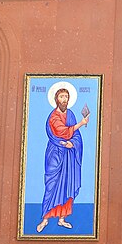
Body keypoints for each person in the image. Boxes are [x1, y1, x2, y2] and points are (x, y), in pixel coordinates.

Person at [35, 86, 90, 232]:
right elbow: (63, 132)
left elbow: (76, 136)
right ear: (56, 99)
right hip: (55, 154)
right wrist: (81, 124)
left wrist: (73, 143)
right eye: (61, 97)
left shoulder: (70, 114)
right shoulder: (53, 117)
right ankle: (45, 219)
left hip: (69, 156)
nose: (64, 99)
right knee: (52, 185)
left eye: (66, 96)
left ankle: (62, 219)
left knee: (67, 185)